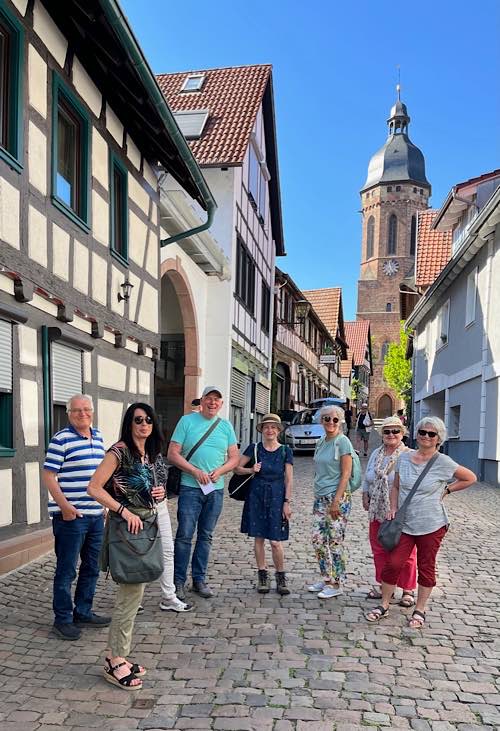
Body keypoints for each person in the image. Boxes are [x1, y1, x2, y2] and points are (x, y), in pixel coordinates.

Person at [366, 416, 476, 628]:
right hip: (405, 523)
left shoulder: (443, 462)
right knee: (393, 563)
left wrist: (447, 490)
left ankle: (420, 609)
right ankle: (385, 604)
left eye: (431, 434)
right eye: (422, 432)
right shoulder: (404, 458)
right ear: (416, 434)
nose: (426, 436)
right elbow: (396, 486)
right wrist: (393, 507)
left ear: (438, 439)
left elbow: (469, 477)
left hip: (432, 524)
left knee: (426, 566)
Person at [88, 402, 167, 690]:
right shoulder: (118, 452)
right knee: (128, 596)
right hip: (127, 530)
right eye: (138, 420)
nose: (144, 424)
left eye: (148, 419)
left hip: (145, 527)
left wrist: (158, 493)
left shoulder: (148, 454)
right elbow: (94, 487)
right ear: (129, 423)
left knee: (135, 596)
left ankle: (120, 653)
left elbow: (143, 489)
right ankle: (114, 659)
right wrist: (123, 511)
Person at [43, 394, 110, 641]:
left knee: (92, 567)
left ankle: (83, 611)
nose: (82, 414)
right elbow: (49, 475)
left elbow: (99, 476)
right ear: (69, 413)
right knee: (66, 570)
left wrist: (103, 504)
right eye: (77, 410)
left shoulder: (99, 436)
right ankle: (62, 619)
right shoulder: (61, 440)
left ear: (92, 411)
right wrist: (65, 507)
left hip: (95, 516)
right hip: (71, 517)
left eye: (86, 409)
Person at [168, 386, 239, 599]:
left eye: (217, 400)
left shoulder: (226, 426)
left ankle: (199, 580)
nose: (213, 403)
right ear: (202, 401)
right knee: (184, 536)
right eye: (209, 398)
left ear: (221, 404)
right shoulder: (186, 422)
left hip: (215, 490)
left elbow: (234, 457)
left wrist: (221, 470)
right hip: (190, 488)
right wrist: (194, 471)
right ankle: (178, 582)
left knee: (206, 536)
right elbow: (172, 454)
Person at [362, 416, 416, 606]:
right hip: (377, 509)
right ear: (382, 434)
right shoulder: (377, 453)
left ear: (402, 434)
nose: (391, 434)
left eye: (395, 431)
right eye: (387, 431)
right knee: (379, 549)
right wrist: (365, 493)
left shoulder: (409, 455)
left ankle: (408, 590)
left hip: (399, 511)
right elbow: (367, 476)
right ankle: (385, 586)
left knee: (406, 552)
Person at [236, 414, 293, 595]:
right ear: (262, 430)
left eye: (273, 427)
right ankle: (262, 574)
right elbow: (236, 467)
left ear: (278, 431)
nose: (270, 430)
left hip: (277, 496)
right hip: (257, 495)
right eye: (267, 427)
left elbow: (289, 479)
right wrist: (251, 469)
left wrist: (287, 502)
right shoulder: (254, 448)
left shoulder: (285, 451)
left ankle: (280, 576)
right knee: (259, 537)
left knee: (276, 541)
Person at [308, 405, 353, 598]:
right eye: (327, 419)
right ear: (321, 421)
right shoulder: (321, 442)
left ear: (340, 421)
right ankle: (326, 578)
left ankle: (337, 584)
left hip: (338, 498)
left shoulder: (343, 442)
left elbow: (346, 474)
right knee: (318, 539)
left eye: (335, 419)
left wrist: (336, 501)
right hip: (321, 498)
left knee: (335, 541)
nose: (331, 423)